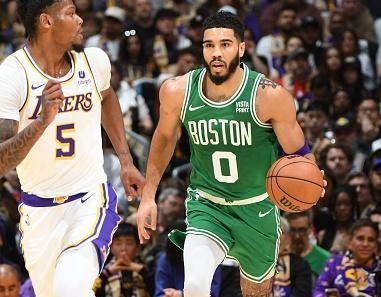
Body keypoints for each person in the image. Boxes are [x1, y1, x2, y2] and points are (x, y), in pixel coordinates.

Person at [137, 11, 324, 297]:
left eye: (225, 44)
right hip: (207, 205)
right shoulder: (178, 91)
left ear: (241, 48)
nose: (216, 53)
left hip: (257, 208)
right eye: (208, 45)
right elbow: (162, 141)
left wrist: (312, 177)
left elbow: (299, 152)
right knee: (196, 285)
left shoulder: (269, 96)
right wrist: (148, 196)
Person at [0, 1, 145, 297]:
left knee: (71, 288)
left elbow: (106, 98)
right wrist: (41, 123)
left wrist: (126, 160)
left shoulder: (94, 61)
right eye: (70, 13)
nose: (80, 20)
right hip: (38, 211)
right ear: (46, 21)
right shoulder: (13, 75)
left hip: (90, 198)